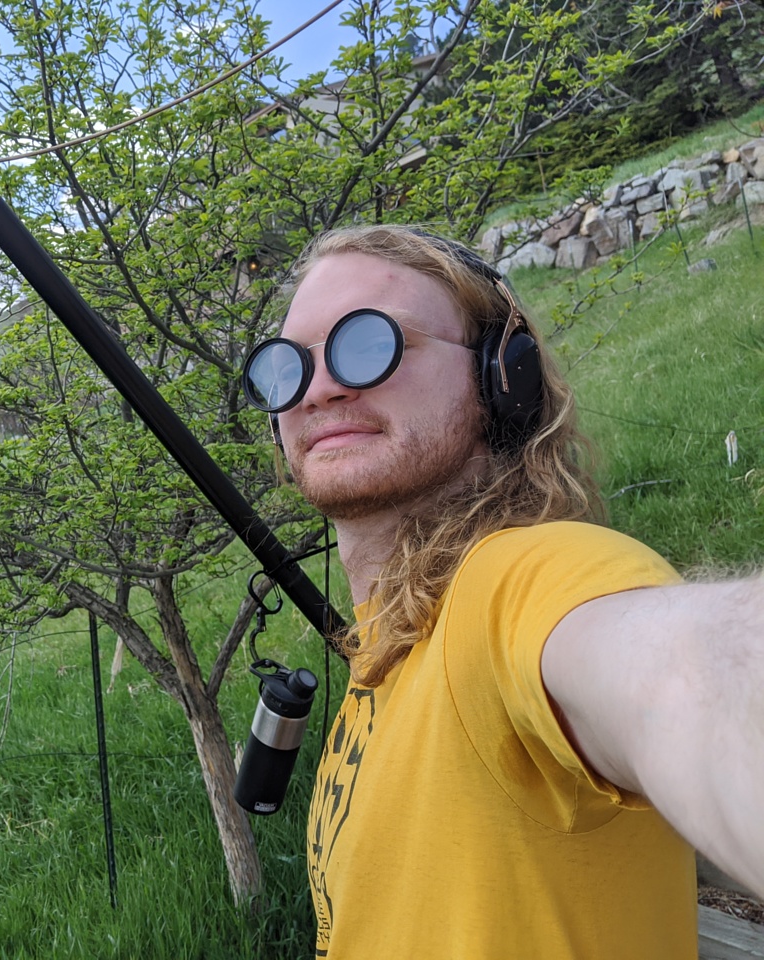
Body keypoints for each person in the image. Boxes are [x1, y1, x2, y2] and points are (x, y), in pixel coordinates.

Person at [240, 224, 764, 958]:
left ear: (501, 378)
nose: (320, 387)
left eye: (369, 342)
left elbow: (693, 676)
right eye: (287, 365)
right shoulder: (386, 650)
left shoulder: (517, 584)